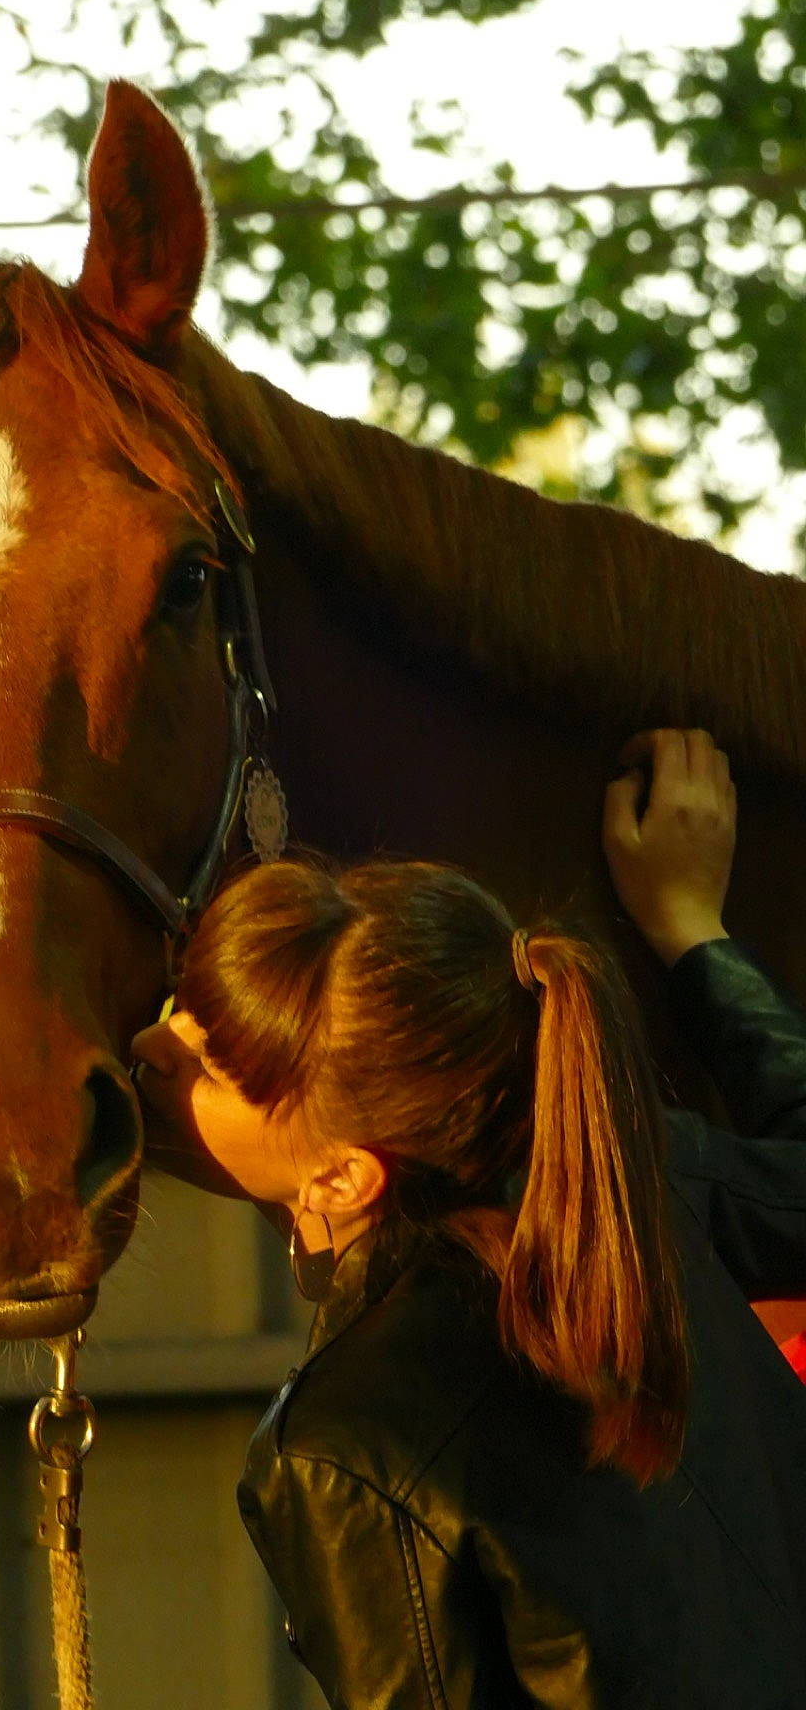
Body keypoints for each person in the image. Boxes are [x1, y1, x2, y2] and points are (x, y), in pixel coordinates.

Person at [131, 730, 806, 1708]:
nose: (150, 1042)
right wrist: (692, 927)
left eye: (209, 1062)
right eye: (183, 1006)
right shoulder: (638, 1176)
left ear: (342, 1178)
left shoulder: (344, 1447)